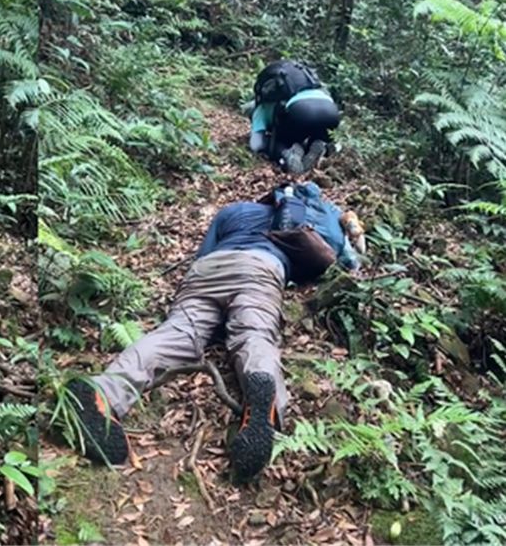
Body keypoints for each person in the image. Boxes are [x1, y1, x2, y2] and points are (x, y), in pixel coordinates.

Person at [67, 183, 359, 484]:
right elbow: (344, 263)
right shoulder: (319, 218)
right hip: (260, 269)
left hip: (208, 269)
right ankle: (264, 405)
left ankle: (102, 392)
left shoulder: (235, 210)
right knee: (254, 335)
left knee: (178, 331)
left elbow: (203, 253)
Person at [246, 59, 341, 174]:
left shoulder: (261, 109)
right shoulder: (309, 87)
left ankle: (289, 153)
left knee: (276, 141)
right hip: (330, 109)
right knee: (315, 131)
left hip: (300, 112)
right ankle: (320, 145)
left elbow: (256, 144)